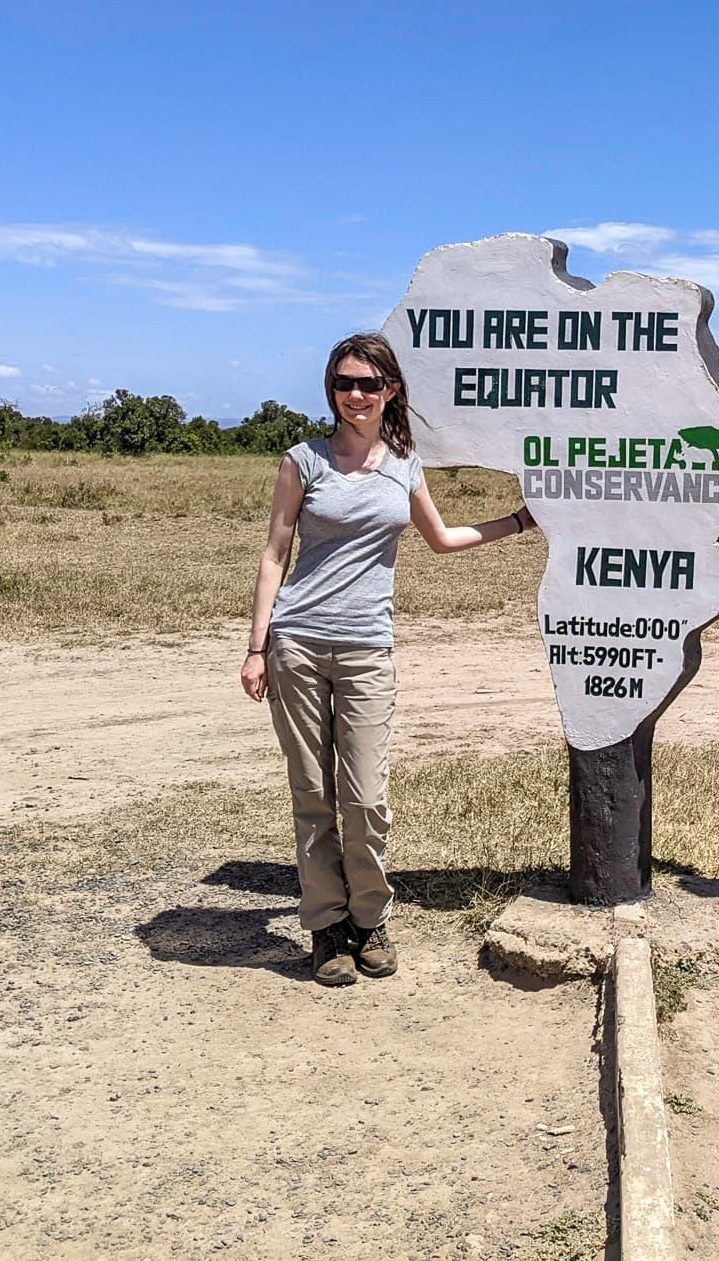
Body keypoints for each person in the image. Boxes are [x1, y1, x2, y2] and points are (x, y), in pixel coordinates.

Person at [240, 331, 536, 987]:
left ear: (391, 390)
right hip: (297, 643)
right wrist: (257, 647)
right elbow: (273, 554)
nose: (355, 395)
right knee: (313, 795)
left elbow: (442, 538)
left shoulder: (405, 463)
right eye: (344, 383)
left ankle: (370, 918)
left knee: (366, 798)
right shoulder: (303, 461)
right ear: (331, 389)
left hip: (368, 649)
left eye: (369, 384)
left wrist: (519, 521)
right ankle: (326, 930)